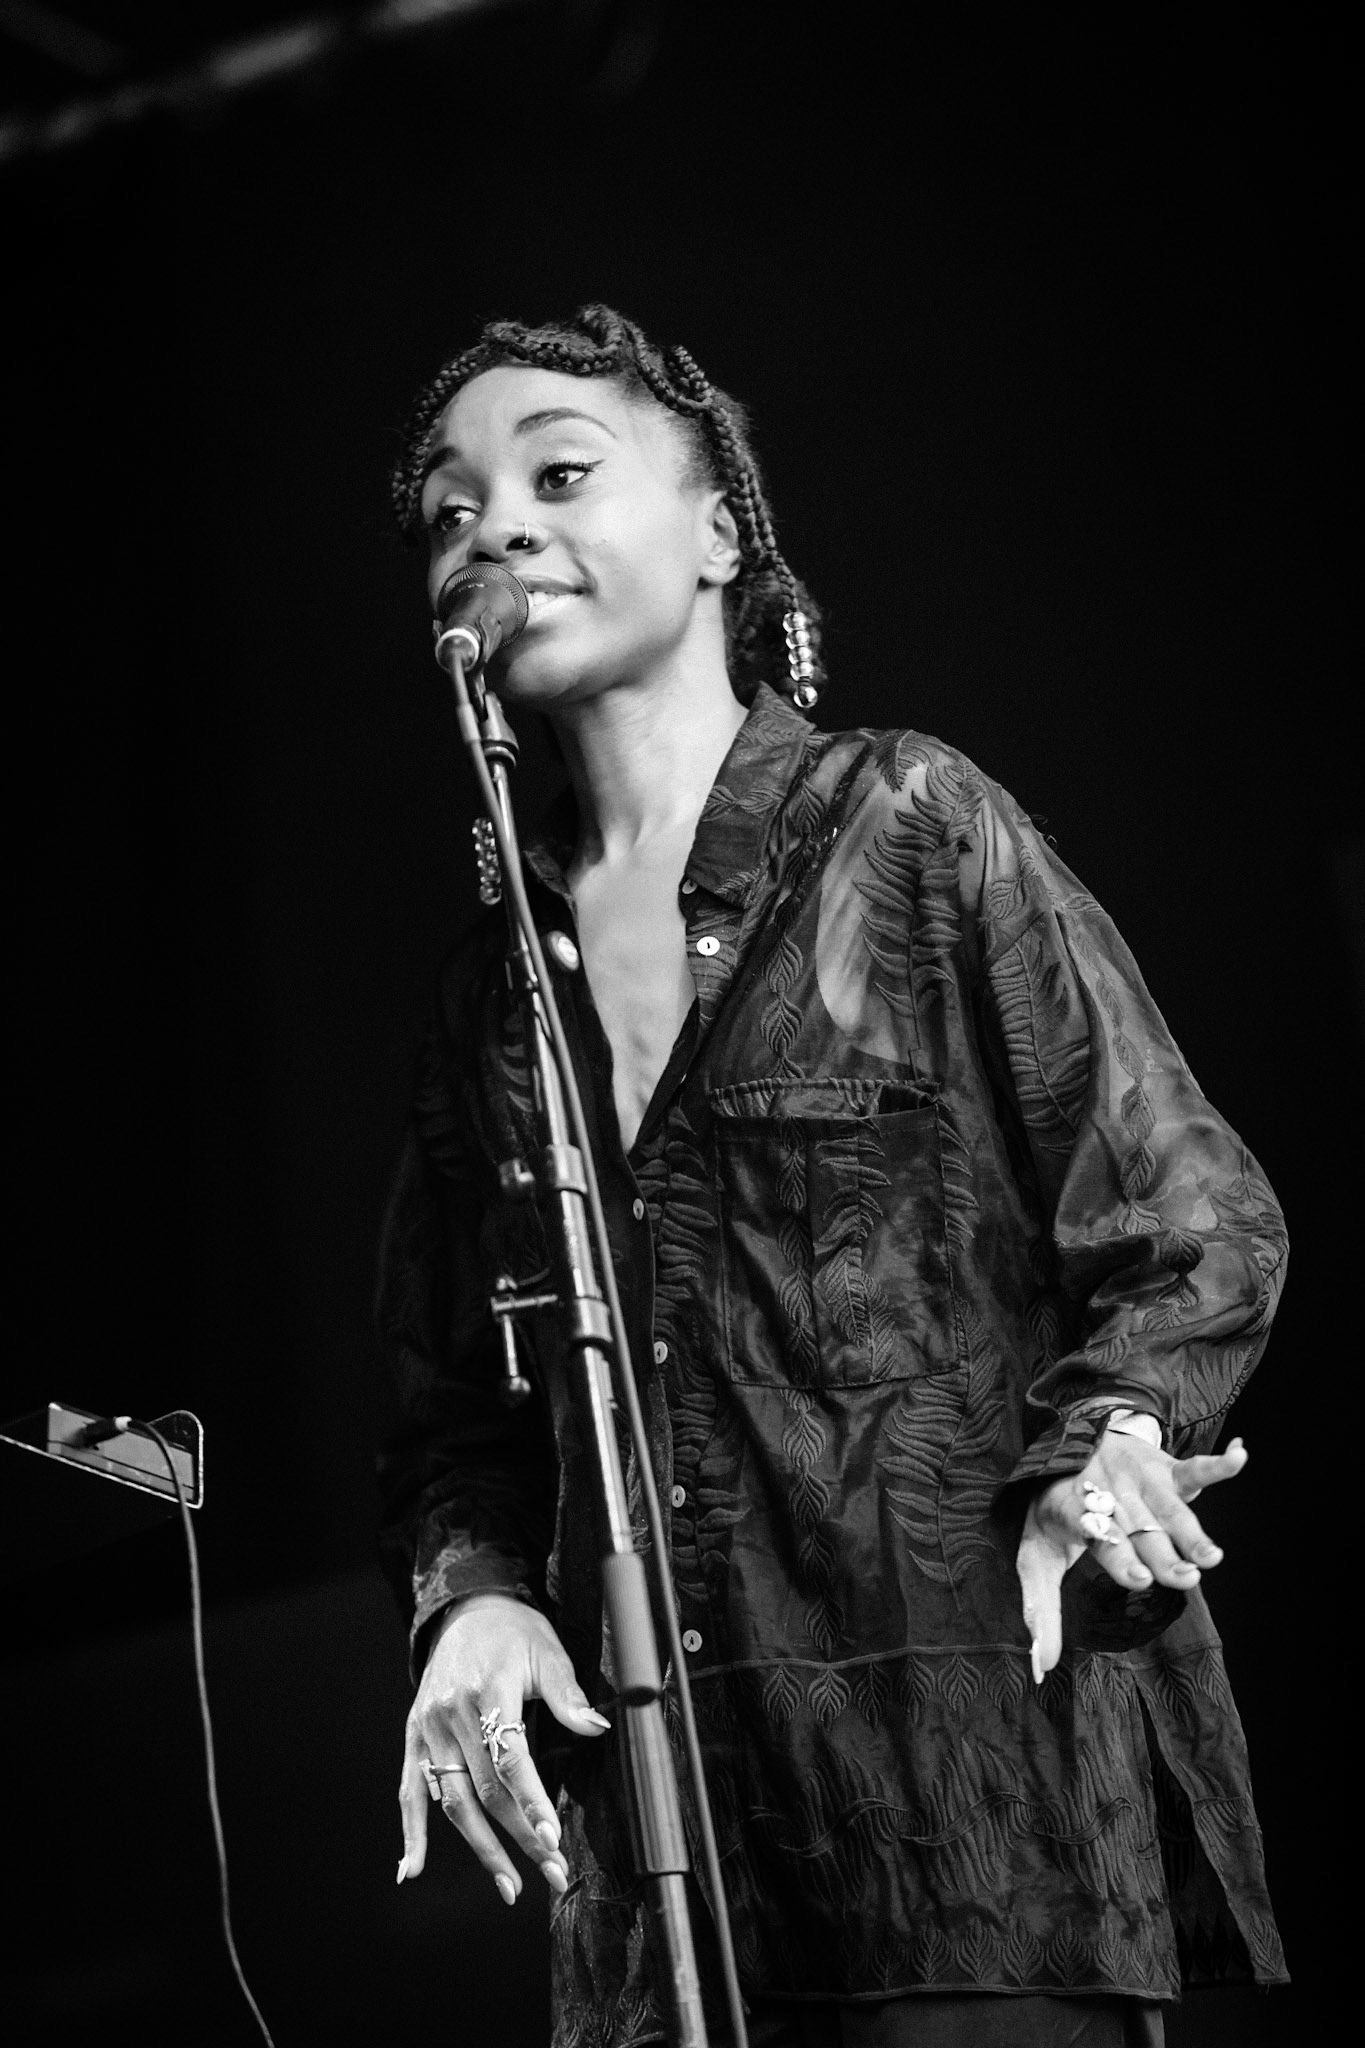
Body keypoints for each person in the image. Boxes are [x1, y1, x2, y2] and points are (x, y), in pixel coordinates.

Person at [376, 306, 1287, 2048]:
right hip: (666, 1888)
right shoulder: (490, 992)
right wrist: (472, 1601)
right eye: (447, 509)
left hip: (973, 1833)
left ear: (721, 534)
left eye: (558, 472)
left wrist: (1110, 1443)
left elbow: (1190, 1216)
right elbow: (449, 1426)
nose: (491, 525)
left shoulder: (908, 823)